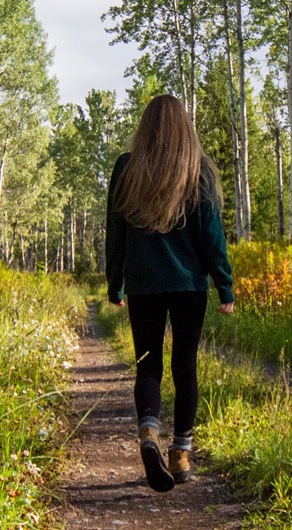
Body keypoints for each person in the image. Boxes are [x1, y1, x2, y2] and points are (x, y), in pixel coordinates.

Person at [104, 94, 234, 493]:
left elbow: (115, 233)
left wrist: (115, 282)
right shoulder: (199, 170)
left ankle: (148, 433)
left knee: (148, 365)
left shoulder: (127, 167)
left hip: (144, 284)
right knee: (185, 365)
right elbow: (212, 236)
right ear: (185, 127)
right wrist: (224, 285)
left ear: (145, 127)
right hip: (189, 286)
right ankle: (180, 454)